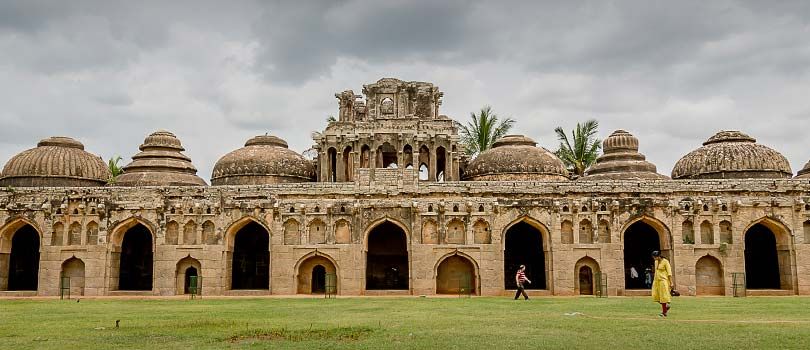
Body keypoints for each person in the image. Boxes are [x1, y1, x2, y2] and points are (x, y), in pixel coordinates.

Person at [651, 251, 674, 317]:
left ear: (658, 256)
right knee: (655, 295)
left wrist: (671, 282)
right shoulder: (656, 262)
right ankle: (666, 306)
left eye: (655, 257)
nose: (654, 258)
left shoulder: (665, 262)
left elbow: (669, 272)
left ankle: (664, 312)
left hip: (663, 281)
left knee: (663, 296)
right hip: (657, 280)